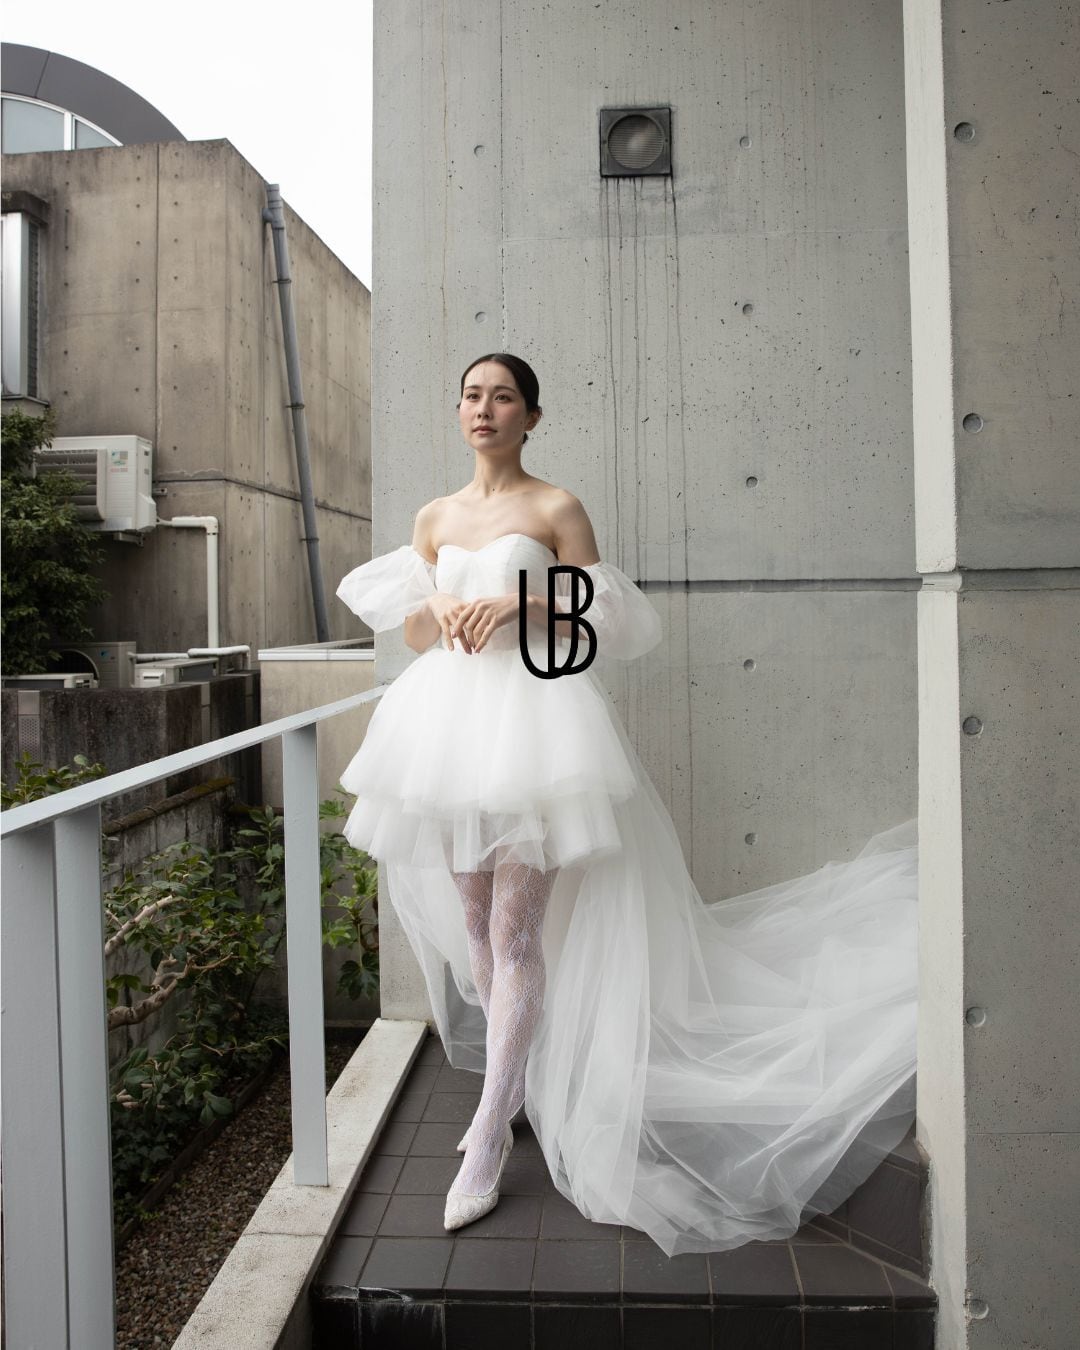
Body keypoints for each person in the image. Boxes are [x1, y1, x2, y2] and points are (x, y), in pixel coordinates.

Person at [335, 353, 919, 1254]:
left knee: (514, 937)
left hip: (535, 726)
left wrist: (516, 602)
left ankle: (488, 1136)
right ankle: (512, 1087)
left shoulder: (556, 507)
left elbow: (602, 622)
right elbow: (413, 631)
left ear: (531, 416)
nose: (484, 409)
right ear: (458, 412)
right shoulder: (434, 516)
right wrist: (443, 608)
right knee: (476, 923)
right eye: (472, 396)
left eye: (503, 397)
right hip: (447, 731)